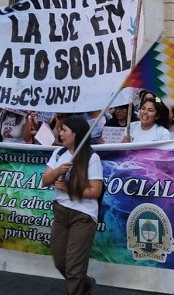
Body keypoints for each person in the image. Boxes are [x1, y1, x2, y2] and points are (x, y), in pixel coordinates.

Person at [42, 116, 103, 295]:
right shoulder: (59, 154)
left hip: (83, 216)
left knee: (74, 268)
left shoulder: (92, 158)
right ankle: (85, 283)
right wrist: (56, 172)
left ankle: (77, 286)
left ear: (75, 134)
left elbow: (95, 190)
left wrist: (70, 189)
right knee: (61, 262)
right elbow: (45, 180)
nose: (60, 134)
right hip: (61, 215)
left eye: (64, 130)